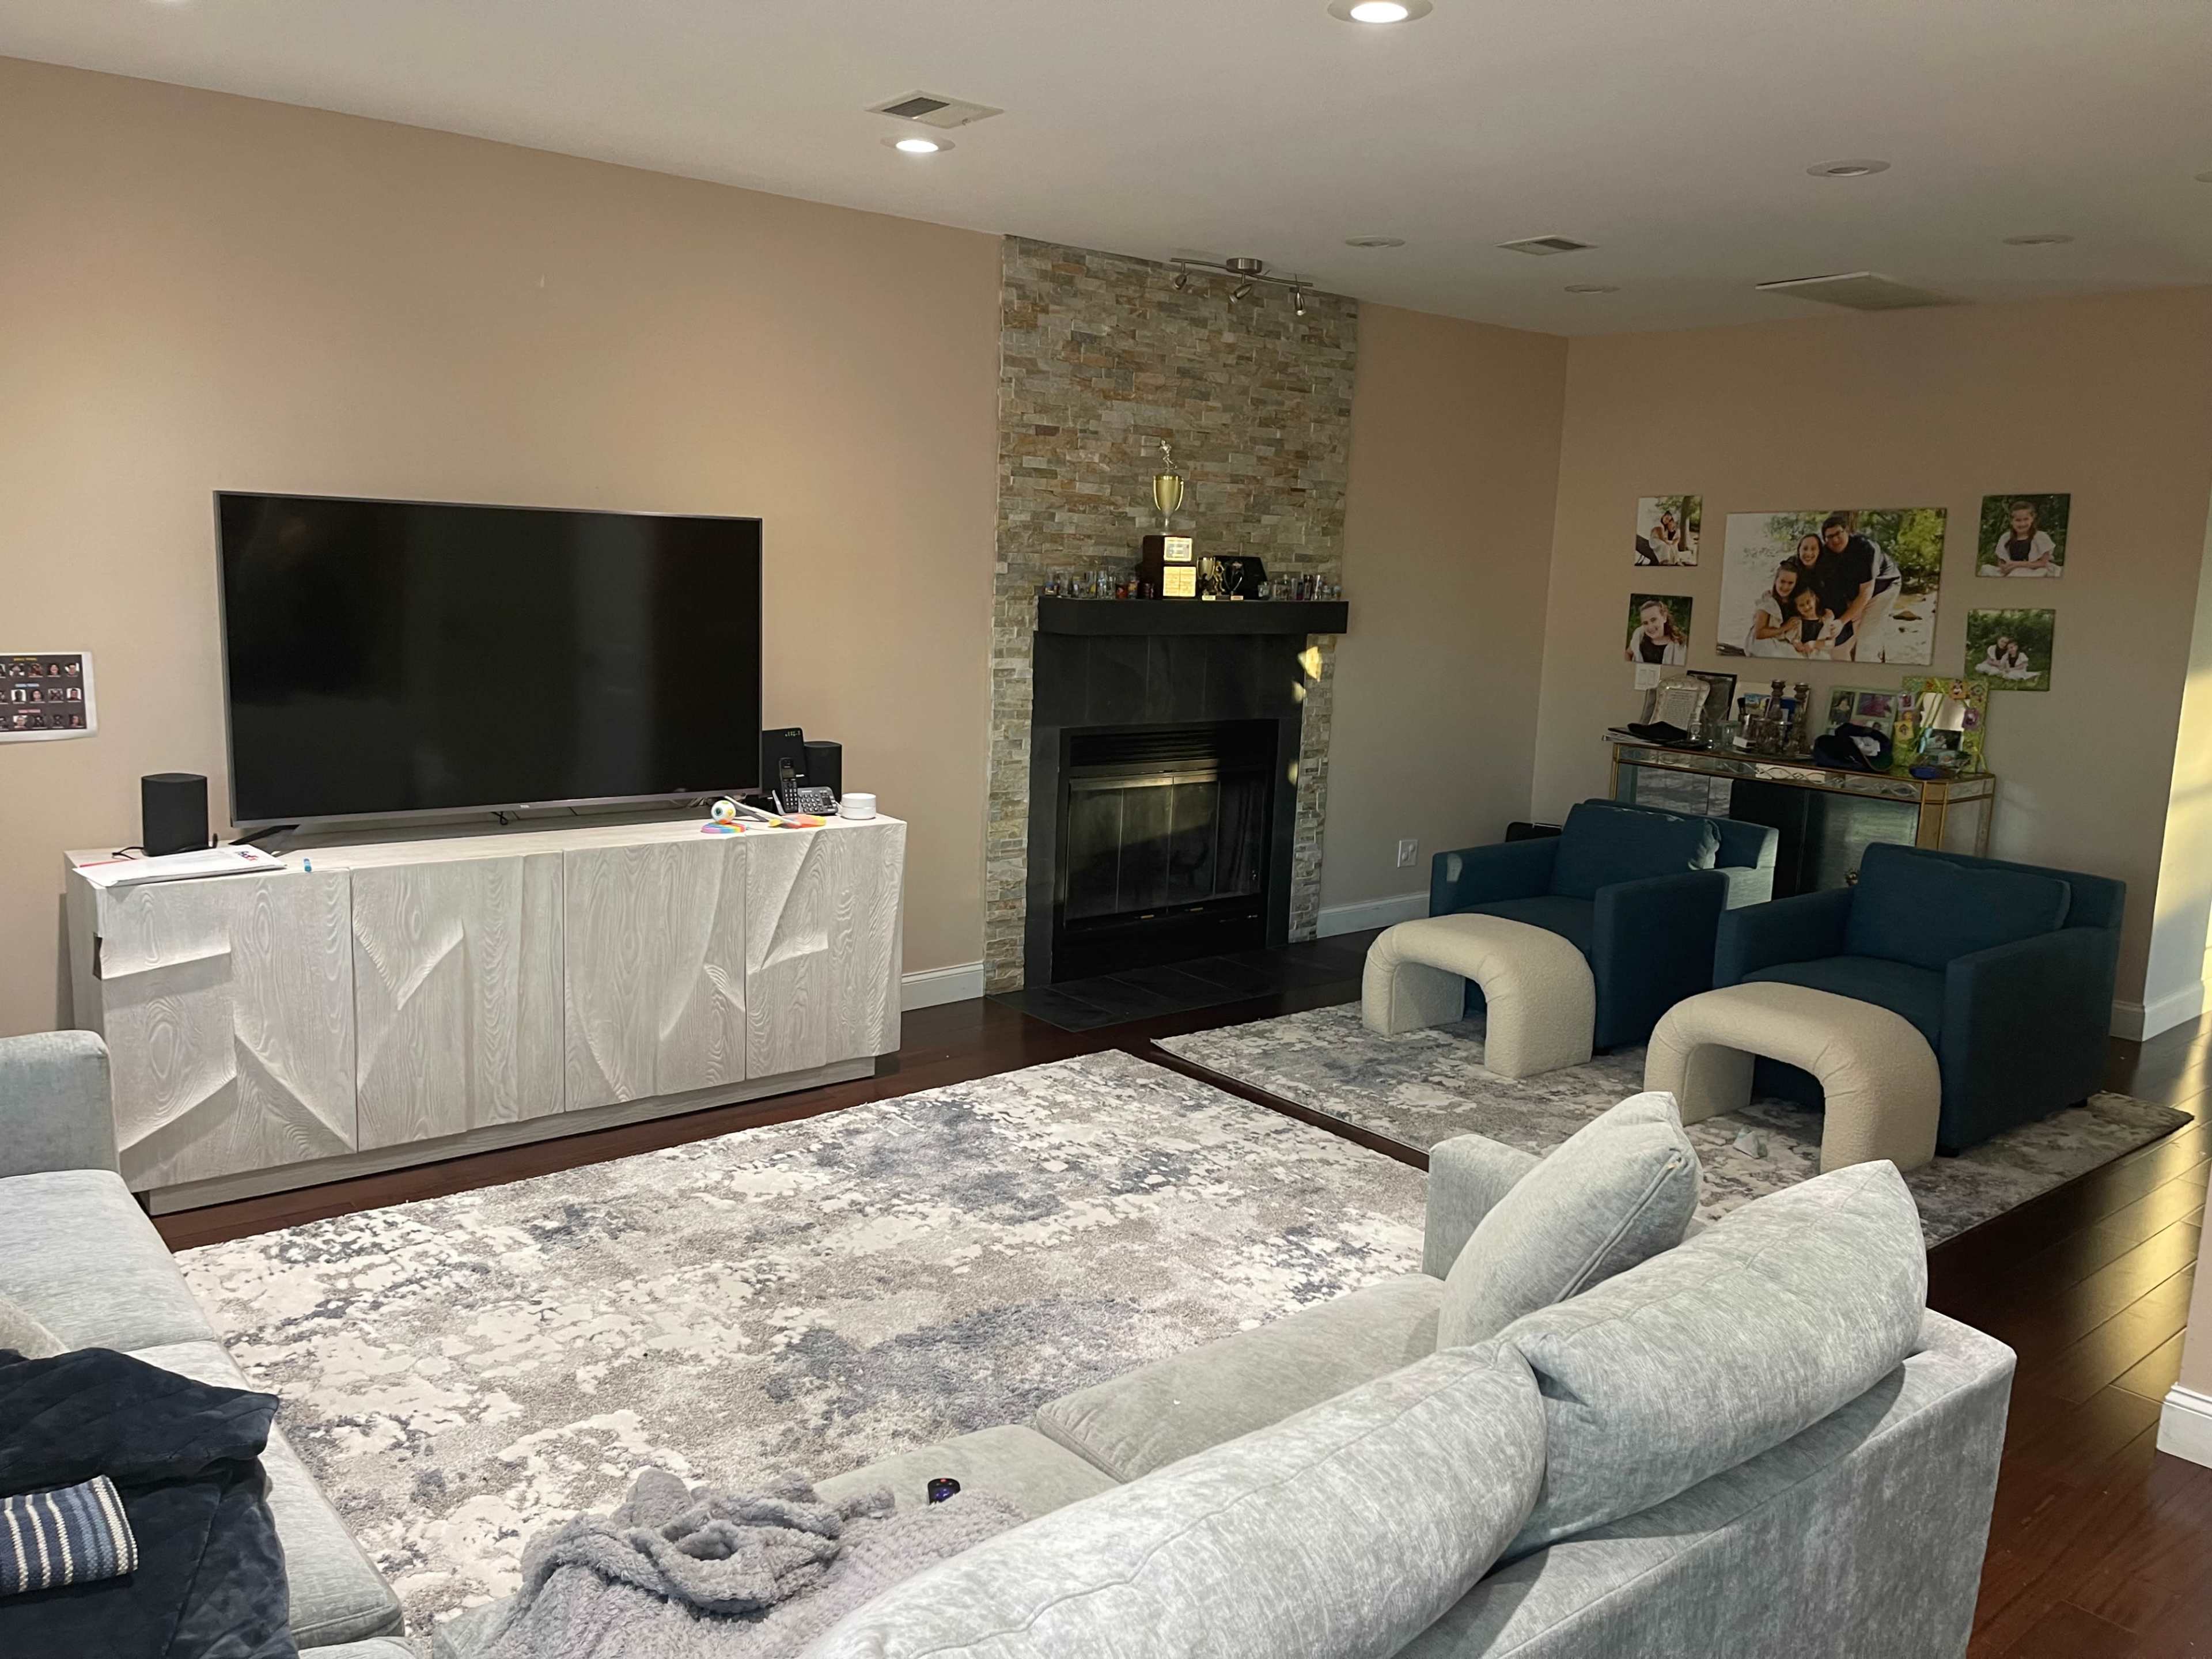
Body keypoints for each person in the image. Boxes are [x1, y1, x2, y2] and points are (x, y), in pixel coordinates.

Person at [1800, 515, 1903, 661]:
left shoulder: (1866, 548)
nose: (1835, 540)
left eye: (1838, 534)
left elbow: (1867, 593)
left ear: (1847, 531)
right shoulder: (1826, 553)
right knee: (1845, 642)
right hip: (1855, 592)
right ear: (1825, 540)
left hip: (1884, 588)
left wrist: (1842, 621)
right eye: (1830, 537)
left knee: (1866, 643)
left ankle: (1871, 665)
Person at [1745, 555, 1809, 656]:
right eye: (1782, 582)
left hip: (1781, 640)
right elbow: (1759, 634)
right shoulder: (1768, 602)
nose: (1785, 587)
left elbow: (1794, 632)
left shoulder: (1795, 601)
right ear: (1776, 581)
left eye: (1790, 583)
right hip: (1763, 641)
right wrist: (1784, 628)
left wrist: (1796, 642)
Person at [1989, 500, 2058, 577]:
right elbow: (2001, 559)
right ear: (2011, 521)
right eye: (2018, 520)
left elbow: (2043, 563)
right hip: (2011, 570)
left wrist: (2018, 564)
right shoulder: (2006, 538)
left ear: (2032, 519)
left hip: (2035, 570)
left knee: (2018, 574)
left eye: (2026, 519)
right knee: (1986, 569)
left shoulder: (2040, 537)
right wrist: (2004, 567)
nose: (2022, 524)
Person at [1785, 585, 1842, 658]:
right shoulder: (1797, 622)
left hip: (1821, 659)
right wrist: (1796, 643)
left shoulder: (1826, 619)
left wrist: (1814, 644)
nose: (1807, 607)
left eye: (1808, 602)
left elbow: (1831, 643)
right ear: (1797, 608)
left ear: (1814, 599)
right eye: (1802, 605)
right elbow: (1789, 638)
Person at [1626, 598, 1687, 665]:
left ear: (1664, 617)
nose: (1650, 627)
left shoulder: (1678, 646)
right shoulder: (1640, 636)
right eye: (1645, 623)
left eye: (1654, 620)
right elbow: (1628, 653)